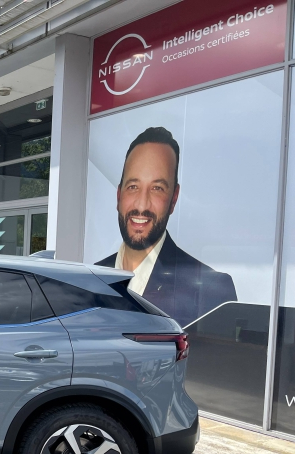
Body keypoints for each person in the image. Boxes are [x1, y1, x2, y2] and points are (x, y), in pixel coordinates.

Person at [96, 127, 236, 327]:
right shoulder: (90, 278)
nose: (141, 205)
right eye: (133, 186)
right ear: (119, 195)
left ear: (174, 199)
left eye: (157, 188)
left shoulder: (212, 292)